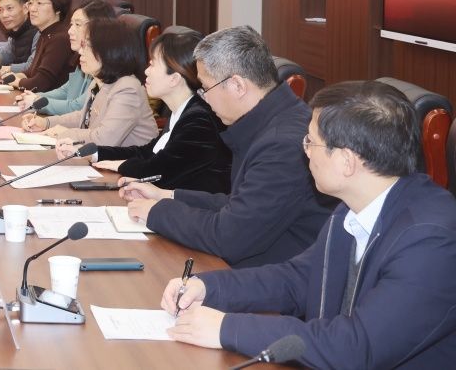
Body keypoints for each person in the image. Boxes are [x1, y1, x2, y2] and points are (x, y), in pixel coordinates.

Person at [162, 80, 456, 367]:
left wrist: (228, 328)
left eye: (310, 141)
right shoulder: (352, 209)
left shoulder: (431, 242)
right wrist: (208, 287)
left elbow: (355, 347)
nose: (305, 151)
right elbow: (297, 280)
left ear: (346, 161)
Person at [121, 25, 335, 268]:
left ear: (237, 86)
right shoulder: (272, 120)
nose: (203, 98)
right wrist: (167, 196)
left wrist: (157, 212)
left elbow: (229, 236)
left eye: (205, 88)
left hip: (276, 280)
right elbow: (240, 205)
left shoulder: (282, 145)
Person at [90, 31, 232, 193]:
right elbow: (147, 152)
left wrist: (121, 165)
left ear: (174, 79)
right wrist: (96, 153)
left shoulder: (200, 120)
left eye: (152, 64)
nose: (146, 71)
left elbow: (158, 172)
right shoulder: (183, 111)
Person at [23, 18, 158, 148]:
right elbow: (83, 117)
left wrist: (64, 133)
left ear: (108, 51)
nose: (81, 52)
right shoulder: (99, 82)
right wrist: (46, 123)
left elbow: (104, 140)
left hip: (127, 163)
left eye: (87, 46)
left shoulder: (127, 89)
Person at [20, 0, 117, 117]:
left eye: (78, 25)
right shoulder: (82, 59)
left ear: (99, 29)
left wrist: (36, 102)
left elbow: (79, 107)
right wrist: (35, 97)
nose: (70, 31)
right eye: (71, 24)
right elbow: (66, 90)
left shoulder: (103, 68)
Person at [10, 0, 76, 92]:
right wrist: (14, 76)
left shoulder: (60, 38)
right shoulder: (45, 34)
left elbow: (40, 84)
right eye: (31, 3)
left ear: (58, 8)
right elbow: (32, 72)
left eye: (39, 3)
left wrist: (16, 81)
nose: (32, 9)